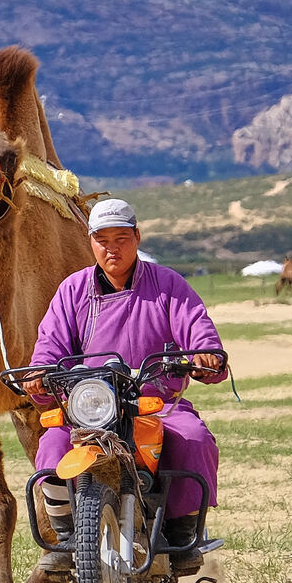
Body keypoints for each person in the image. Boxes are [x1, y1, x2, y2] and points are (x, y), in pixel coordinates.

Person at [25, 197, 227, 553]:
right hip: (90, 408)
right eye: (103, 240)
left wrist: (205, 354)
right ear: (90, 242)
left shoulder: (168, 285)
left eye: (121, 238)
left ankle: (182, 532)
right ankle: (67, 538)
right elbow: (49, 345)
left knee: (193, 438)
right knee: (53, 444)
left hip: (156, 404)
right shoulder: (73, 291)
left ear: (137, 237)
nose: (112, 248)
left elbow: (197, 329)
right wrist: (40, 373)